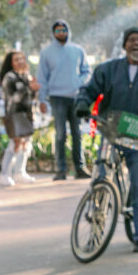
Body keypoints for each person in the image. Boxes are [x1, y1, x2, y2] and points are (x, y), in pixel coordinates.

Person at [76, 26, 138, 253]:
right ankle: (95, 229)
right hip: (110, 132)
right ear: (124, 45)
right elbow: (90, 90)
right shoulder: (108, 70)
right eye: (131, 40)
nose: (136, 43)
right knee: (100, 174)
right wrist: (82, 103)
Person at [36, 19, 91, 180]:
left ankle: (80, 168)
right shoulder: (46, 52)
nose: (62, 33)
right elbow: (42, 77)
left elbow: (87, 71)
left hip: (75, 97)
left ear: (69, 31)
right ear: (54, 33)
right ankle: (61, 170)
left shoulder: (78, 50)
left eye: (64, 30)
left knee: (77, 134)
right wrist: (42, 100)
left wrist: (79, 83)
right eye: (58, 31)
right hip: (57, 97)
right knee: (60, 134)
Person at [0, 50, 40, 186]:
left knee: (25, 144)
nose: (20, 61)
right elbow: (12, 98)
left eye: (22, 58)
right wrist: (27, 86)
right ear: (11, 63)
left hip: (27, 114)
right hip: (14, 114)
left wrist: (34, 89)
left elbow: (32, 97)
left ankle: (19, 172)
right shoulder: (9, 77)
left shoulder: (26, 76)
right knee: (14, 144)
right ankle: (4, 174)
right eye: (16, 59)